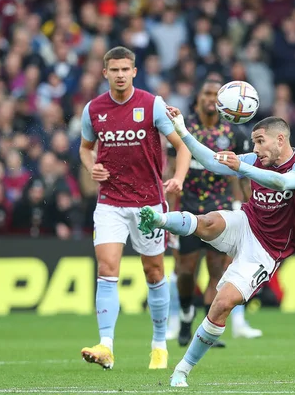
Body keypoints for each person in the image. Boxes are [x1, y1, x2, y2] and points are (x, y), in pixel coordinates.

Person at [137, 110, 295, 387]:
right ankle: (159, 219)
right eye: (255, 143)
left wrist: (241, 167)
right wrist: (184, 131)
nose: (255, 149)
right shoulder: (255, 160)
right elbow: (211, 161)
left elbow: (282, 182)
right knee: (208, 221)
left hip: (268, 249)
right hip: (247, 221)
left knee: (222, 304)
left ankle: (182, 370)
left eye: (260, 142)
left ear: (280, 139)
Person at [78, 46, 191, 370]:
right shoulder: (94, 109)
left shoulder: (151, 104)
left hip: (147, 204)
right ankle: (106, 345)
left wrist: (179, 178)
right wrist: (91, 167)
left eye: (125, 69)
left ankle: (159, 344)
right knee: (107, 269)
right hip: (110, 202)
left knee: (153, 271)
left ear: (134, 72)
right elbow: (86, 149)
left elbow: (181, 146)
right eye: (114, 70)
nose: (120, 75)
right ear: (105, 73)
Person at [165, 79, 262, 346]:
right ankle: (185, 315)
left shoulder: (234, 134)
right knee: (185, 271)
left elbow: (240, 176)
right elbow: (170, 167)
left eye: (215, 94)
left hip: (219, 204)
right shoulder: (184, 129)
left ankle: (208, 326)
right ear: (199, 98)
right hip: (187, 203)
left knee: (217, 269)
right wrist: (166, 198)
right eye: (207, 93)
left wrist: (244, 204)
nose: (211, 98)